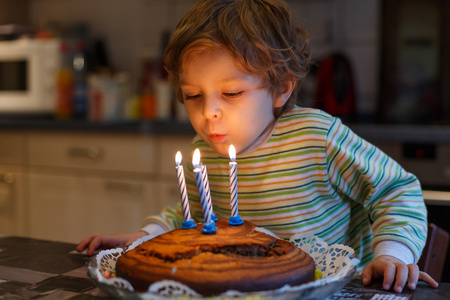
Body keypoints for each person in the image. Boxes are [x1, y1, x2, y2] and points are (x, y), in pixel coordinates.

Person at [77, 0, 439, 293]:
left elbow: (395, 190)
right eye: (192, 95)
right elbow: (193, 219)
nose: (209, 113)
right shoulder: (202, 153)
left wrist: (392, 253)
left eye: (231, 93)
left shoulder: (316, 137)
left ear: (281, 87)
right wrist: (145, 238)